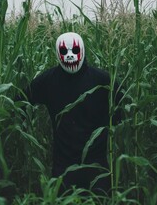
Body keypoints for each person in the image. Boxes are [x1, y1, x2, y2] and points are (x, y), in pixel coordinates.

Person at [21, 32, 121, 195]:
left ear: (82, 50)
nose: (69, 56)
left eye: (74, 50)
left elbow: (126, 104)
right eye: (64, 52)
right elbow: (20, 101)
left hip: (96, 167)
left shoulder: (103, 80)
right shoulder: (47, 81)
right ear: (57, 53)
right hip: (64, 168)